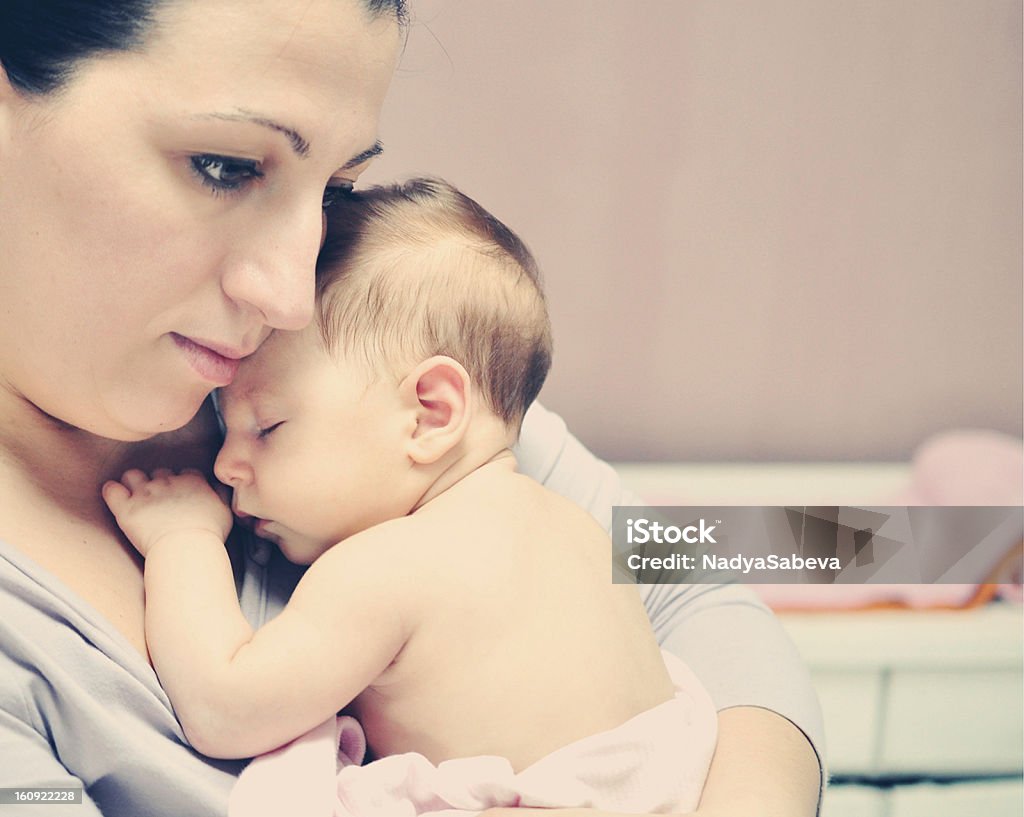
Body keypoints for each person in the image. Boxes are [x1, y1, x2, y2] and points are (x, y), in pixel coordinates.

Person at [0, 2, 823, 816]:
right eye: (224, 165)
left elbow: (700, 586)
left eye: (336, 190)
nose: (290, 296)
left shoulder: (355, 392)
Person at [102, 177, 720, 816]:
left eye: (268, 427)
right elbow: (791, 551)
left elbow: (226, 706)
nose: (228, 466)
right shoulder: (583, 527)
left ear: (429, 413)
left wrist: (183, 541)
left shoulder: (387, 568)